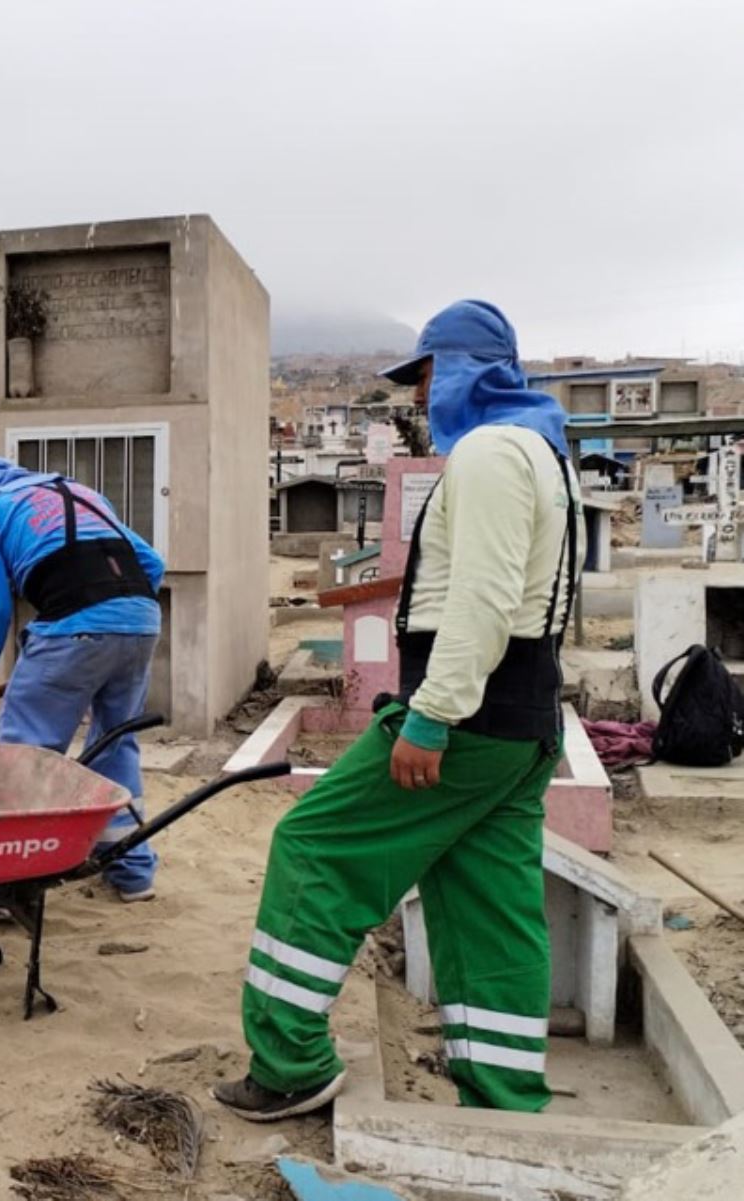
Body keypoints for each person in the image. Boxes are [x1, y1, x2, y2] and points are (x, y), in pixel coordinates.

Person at [214, 300, 581, 1122]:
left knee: (313, 848)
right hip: (523, 719)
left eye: (424, 376)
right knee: (487, 901)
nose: (418, 397)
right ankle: (505, 1092)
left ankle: (289, 1062)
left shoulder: (489, 453)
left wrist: (430, 717)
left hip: (470, 715)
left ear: (464, 370)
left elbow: (482, 600)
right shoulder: (545, 450)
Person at [0, 456, 166, 911]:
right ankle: (131, 871)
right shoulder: (87, 496)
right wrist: (116, 621)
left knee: (26, 755)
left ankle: (4, 887)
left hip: (73, 629)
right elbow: (151, 563)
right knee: (115, 744)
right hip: (141, 623)